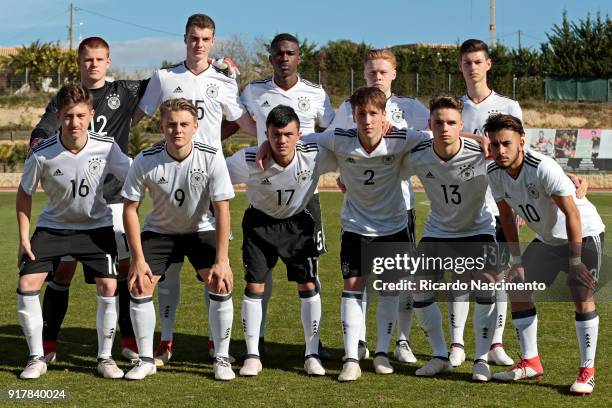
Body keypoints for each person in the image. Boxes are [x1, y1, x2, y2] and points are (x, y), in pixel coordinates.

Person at [280, 87, 431, 381]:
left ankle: (382, 353)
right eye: (361, 114)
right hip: (356, 227)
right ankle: (351, 358)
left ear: (384, 115)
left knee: (389, 291)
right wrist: (266, 146)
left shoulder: (401, 138)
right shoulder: (340, 139)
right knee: (353, 285)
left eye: (374, 113)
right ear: (353, 116)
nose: (368, 120)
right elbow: (303, 139)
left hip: (394, 227)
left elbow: (434, 138)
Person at [132, 13, 256, 364]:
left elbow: (244, 122)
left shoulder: (224, 81)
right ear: (185, 39)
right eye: (193, 38)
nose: (198, 44)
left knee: (213, 271)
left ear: (212, 42)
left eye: (205, 39)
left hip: (209, 182)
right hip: (169, 180)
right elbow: (137, 115)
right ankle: (165, 341)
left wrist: (276, 137)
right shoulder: (165, 77)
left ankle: (216, 345)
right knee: (167, 272)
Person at [29, 36, 148, 364]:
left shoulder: (124, 91)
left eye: (99, 59)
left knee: (119, 272)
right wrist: (38, 140)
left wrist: (219, 69)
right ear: (79, 63)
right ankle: (49, 343)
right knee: (63, 271)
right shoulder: (66, 98)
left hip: (112, 199)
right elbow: (45, 126)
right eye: (87, 60)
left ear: (108, 62)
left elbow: (169, 81)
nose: (93, 65)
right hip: (73, 204)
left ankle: (126, 340)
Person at [225, 33, 335, 360]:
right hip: (264, 183)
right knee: (260, 274)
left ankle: (313, 346)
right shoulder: (254, 91)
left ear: (299, 57)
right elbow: (236, 123)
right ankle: (255, 343)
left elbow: (330, 134)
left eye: (290, 53)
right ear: (270, 58)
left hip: (304, 192)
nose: (284, 58)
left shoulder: (316, 93)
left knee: (310, 276)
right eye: (279, 53)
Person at [17, 83, 131, 379]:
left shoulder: (106, 147)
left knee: (109, 286)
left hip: (96, 228)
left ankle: (104, 358)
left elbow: (134, 176)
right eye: (68, 116)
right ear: (59, 116)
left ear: (91, 115)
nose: (75, 123)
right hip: (53, 227)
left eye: (81, 116)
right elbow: (24, 193)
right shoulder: (42, 152)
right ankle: (36, 357)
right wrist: (23, 238)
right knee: (28, 284)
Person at [485, 114, 604, 395]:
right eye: (494, 145)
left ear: (521, 142)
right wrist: (516, 262)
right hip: (548, 239)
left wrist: (575, 262)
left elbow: (572, 213)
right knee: (518, 287)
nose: (500, 150)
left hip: (583, 233)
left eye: (506, 143)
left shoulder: (542, 167)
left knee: (581, 292)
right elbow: (506, 217)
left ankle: (587, 371)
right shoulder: (494, 172)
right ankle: (530, 362)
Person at [122, 98, 235, 380]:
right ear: (161, 126)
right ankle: (146, 359)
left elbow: (222, 210)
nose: (177, 130)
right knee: (139, 283)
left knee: (220, 282)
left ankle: (221, 358)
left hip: (200, 230)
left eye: (184, 124)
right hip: (160, 231)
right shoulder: (145, 159)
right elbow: (130, 209)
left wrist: (222, 261)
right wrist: (136, 259)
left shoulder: (211, 156)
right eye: (171, 124)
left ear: (196, 126)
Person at [330, 48, 429, 363]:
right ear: (365, 73)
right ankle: (358, 341)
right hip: (361, 205)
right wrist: (341, 175)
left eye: (383, 72)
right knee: (360, 279)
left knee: (400, 280)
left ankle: (400, 340)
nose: (378, 77)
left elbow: (435, 136)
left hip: (400, 207)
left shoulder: (410, 108)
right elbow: (334, 142)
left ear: (394, 74)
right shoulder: (350, 106)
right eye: (372, 72)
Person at [401, 96, 497, 380]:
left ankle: (481, 359)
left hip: (477, 229)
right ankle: (441, 356)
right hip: (438, 231)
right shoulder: (418, 154)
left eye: (452, 123)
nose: (445, 128)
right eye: (439, 122)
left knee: (487, 286)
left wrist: (569, 176)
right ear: (430, 125)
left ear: (462, 125)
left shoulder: (481, 151)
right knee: (418, 286)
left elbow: (518, 159)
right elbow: (387, 162)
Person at [454, 38, 523, 368]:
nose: (472, 67)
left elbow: (520, 155)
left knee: (494, 276)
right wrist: (475, 138)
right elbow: (439, 136)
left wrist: (519, 203)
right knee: (460, 276)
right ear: (460, 67)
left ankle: (494, 343)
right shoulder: (455, 107)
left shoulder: (508, 106)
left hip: (497, 204)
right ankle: (456, 344)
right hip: (461, 204)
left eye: (478, 61)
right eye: (467, 62)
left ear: (488, 64)